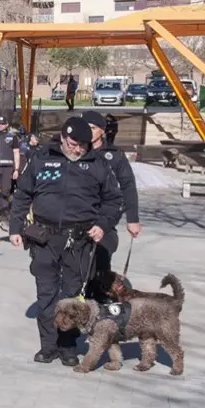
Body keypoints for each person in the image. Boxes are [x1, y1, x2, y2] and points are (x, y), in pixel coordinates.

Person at [9, 117, 123, 366]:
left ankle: (68, 346)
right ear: (62, 138)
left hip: (80, 241)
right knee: (47, 294)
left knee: (72, 297)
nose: (78, 149)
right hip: (44, 239)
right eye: (73, 143)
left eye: (83, 144)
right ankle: (48, 346)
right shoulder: (41, 158)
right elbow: (22, 195)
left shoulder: (98, 164)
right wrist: (15, 227)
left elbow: (114, 201)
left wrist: (102, 225)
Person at [81, 110, 141, 299]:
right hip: (79, 216)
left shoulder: (114, 155)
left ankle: (99, 302)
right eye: (85, 128)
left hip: (104, 217)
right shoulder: (77, 151)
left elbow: (128, 186)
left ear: (102, 131)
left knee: (101, 263)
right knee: (79, 267)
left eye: (92, 128)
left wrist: (132, 219)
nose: (88, 132)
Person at [0, 115, 21, 226]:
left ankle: (5, 217)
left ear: (7, 125)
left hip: (8, 169)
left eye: (2, 124)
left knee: (6, 193)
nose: (0, 125)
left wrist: (16, 169)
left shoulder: (12, 137)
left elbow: (16, 153)